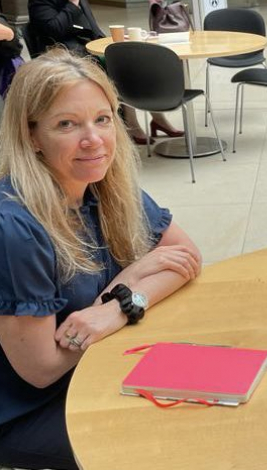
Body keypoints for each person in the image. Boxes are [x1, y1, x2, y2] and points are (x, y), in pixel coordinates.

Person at [0, 48, 202, 470]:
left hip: (98, 363)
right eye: (67, 124)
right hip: (32, 408)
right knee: (170, 443)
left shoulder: (102, 185)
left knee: (209, 397)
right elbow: (42, 369)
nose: (93, 139)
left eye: (103, 119)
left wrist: (119, 303)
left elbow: (185, 256)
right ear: (32, 136)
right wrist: (128, 293)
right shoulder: (14, 228)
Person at [27, 0, 183, 145]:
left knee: (134, 60)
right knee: (121, 68)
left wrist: (114, 40)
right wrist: (72, 4)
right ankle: (132, 124)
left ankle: (158, 119)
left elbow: (92, 28)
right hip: (65, 55)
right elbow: (53, 30)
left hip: (86, 49)